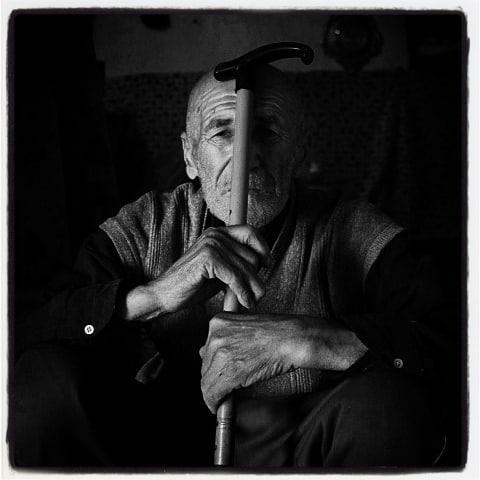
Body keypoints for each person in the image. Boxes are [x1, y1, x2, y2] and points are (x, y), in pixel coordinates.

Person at [11, 65, 453, 468]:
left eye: (267, 131)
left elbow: (451, 341)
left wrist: (309, 339)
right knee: (41, 379)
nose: (246, 156)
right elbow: (30, 328)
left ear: (300, 150)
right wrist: (152, 296)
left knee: (386, 405)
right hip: (148, 446)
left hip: (299, 451)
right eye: (222, 132)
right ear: (190, 156)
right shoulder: (141, 227)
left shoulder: (355, 229)